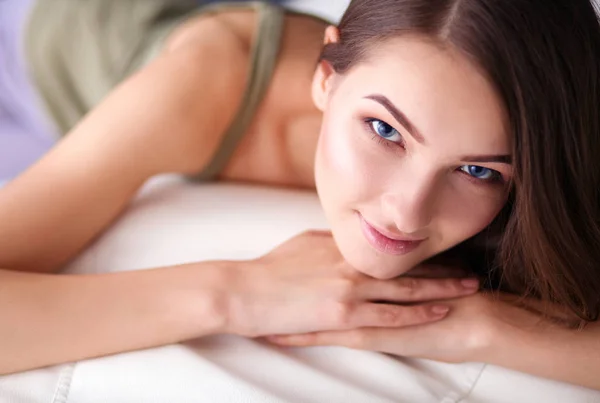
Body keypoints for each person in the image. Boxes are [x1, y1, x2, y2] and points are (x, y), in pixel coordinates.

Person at [0, 0, 599, 391]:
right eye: (384, 131)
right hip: (69, 33)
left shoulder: (551, 156)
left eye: (476, 170)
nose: (406, 211)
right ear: (326, 77)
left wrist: (481, 329)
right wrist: (237, 292)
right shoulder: (200, 91)